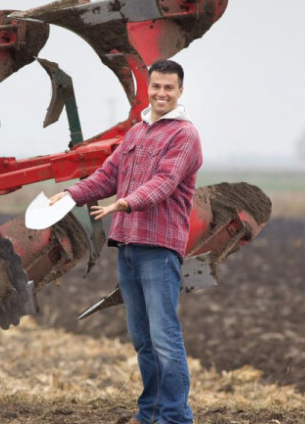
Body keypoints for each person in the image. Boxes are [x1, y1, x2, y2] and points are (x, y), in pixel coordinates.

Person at [49, 59, 201, 424]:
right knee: (143, 340)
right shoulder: (136, 133)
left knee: (165, 338)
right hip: (128, 246)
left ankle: (176, 418)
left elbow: (164, 183)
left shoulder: (184, 135)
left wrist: (126, 202)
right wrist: (70, 195)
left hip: (159, 249)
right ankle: (148, 413)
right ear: (148, 88)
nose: (162, 93)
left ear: (181, 91)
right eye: (157, 86)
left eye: (169, 88)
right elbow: (106, 176)